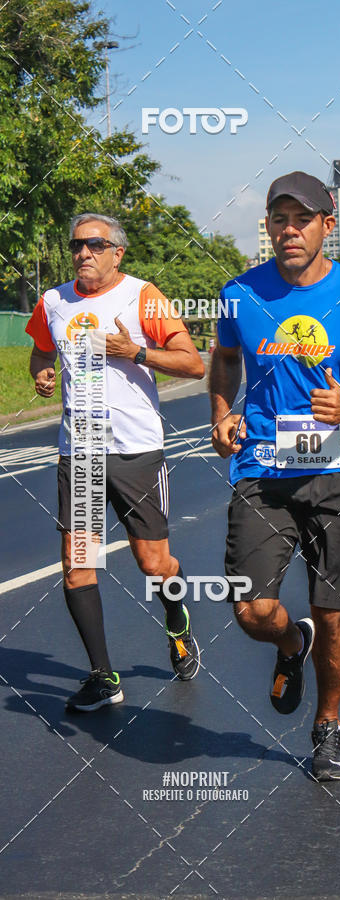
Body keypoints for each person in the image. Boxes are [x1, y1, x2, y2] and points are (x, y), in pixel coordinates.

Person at [209, 172, 340, 781]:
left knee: (333, 610)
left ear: (327, 224)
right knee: (253, 611)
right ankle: (292, 643)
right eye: (278, 219)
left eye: (302, 219)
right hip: (261, 468)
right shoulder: (240, 294)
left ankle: (328, 726)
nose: (289, 231)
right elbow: (226, 359)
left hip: (336, 470)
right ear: (267, 226)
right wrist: (221, 412)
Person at [26, 213, 205, 711]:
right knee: (77, 564)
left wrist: (136, 352)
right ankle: (104, 676)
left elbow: (192, 363)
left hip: (135, 450)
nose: (83, 253)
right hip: (79, 451)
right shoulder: (53, 302)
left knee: (153, 562)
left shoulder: (143, 297)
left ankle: (177, 619)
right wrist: (42, 374)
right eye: (77, 245)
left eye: (94, 244)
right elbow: (41, 353)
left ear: (117, 252)